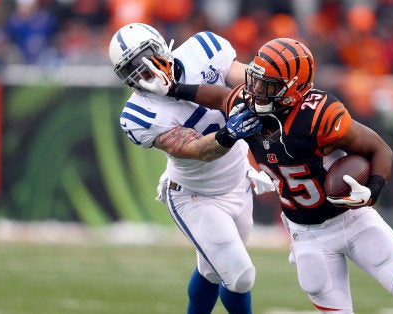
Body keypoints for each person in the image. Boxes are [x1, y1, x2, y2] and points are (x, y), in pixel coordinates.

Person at [143, 37, 393, 313]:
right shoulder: (246, 104)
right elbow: (219, 96)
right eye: (255, 80)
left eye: (267, 85)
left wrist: (373, 190)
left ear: (294, 88)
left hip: (352, 219)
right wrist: (173, 90)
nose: (255, 90)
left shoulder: (320, 115)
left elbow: (380, 148)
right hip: (307, 232)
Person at [108, 22, 274, 314]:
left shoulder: (204, 49)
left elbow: (249, 84)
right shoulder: (138, 114)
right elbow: (196, 150)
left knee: (212, 270)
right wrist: (229, 133)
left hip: (237, 180)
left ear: (161, 45)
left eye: (144, 57)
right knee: (239, 275)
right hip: (195, 195)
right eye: (131, 67)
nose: (142, 70)